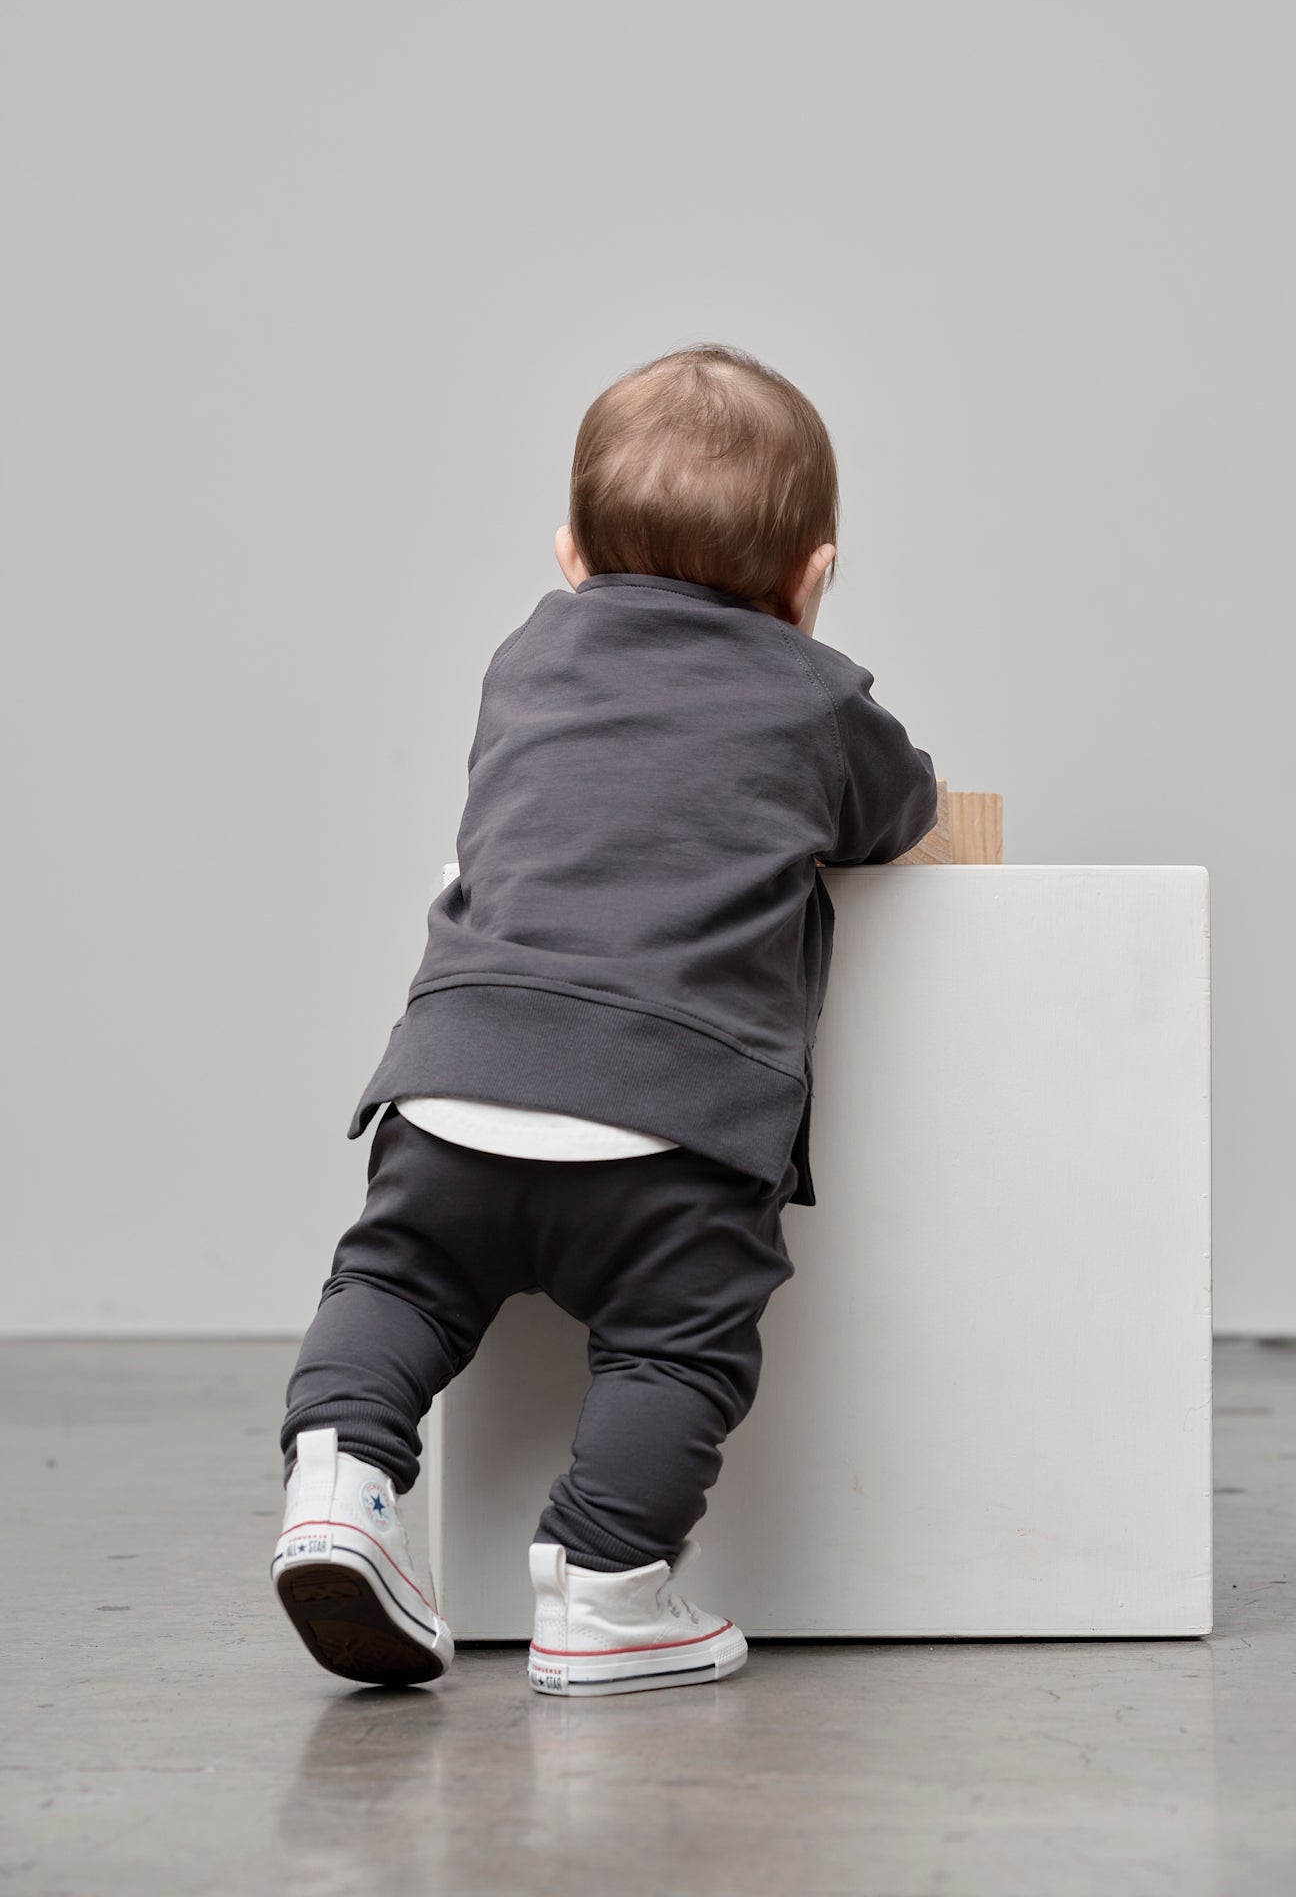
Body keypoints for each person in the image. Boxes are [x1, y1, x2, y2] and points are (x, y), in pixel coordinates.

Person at [271, 342, 939, 1695]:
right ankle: (604, 1586)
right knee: (676, 1344)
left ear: (569, 557)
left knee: (395, 1283)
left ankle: (340, 1482)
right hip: (669, 1117)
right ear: (810, 577)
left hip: (454, 1078)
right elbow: (899, 812)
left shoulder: (526, 656)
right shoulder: (815, 697)